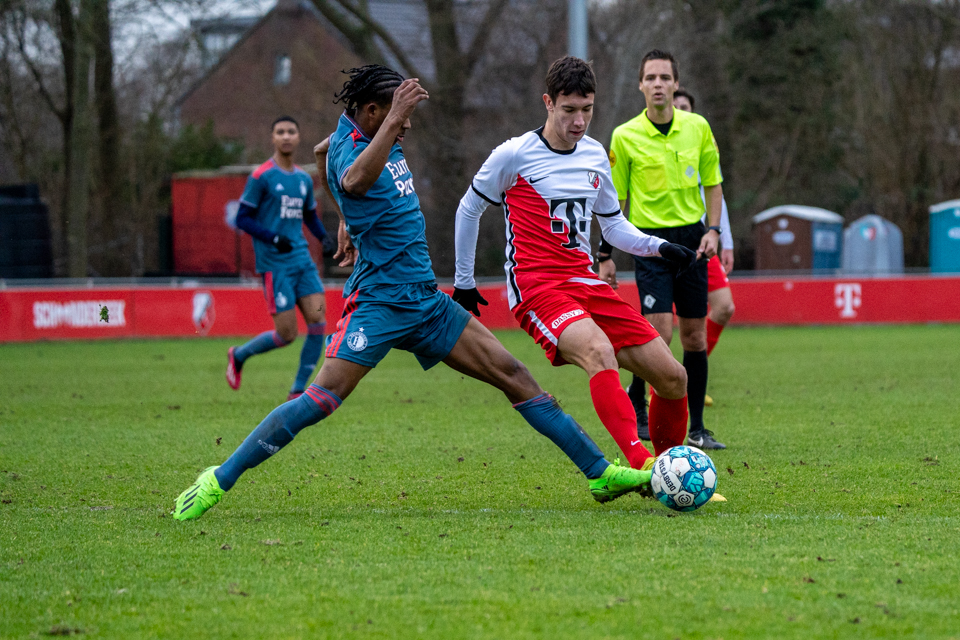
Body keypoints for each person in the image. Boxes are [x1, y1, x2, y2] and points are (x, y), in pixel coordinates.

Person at [173, 65, 652, 522]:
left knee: (514, 375)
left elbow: (323, 154)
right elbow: (352, 177)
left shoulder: (357, 137)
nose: (405, 129)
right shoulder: (370, 143)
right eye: (396, 117)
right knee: (319, 400)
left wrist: (346, 217)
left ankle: (600, 474)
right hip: (380, 303)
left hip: (426, 301)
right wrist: (383, 142)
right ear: (370, 111)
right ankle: (218, 478)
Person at [453, 56, 709, 475]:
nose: (579, 121)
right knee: (598, 351)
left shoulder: (594, 155)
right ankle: (642, 464)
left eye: (587, 109)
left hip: (586, 282)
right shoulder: (514, 154)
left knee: (673, 376)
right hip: (538, 286)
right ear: (548, 103)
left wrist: (659, 248)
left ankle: (673, 471)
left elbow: (613, 225)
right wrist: (464, 282)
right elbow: (469, 209)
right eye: (569, 110)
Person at [603, 50, 727, 450]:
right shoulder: (624, 136)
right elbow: (613, 200)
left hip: (693, 243)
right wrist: (605, 253)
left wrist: (713, 231)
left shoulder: (698, 128)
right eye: (650, 78)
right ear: (640, 85)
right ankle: (638, 402)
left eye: (665, 77)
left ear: (676, 84)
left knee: (693, 336)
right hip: (651, 243)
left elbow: (713, 183)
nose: (658, 84)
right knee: (659, 331)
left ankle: (698, 428)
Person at [226, 116, 335, 401]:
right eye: (280, 132)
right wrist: (273, 238)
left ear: (298, 138)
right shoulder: (261, 176)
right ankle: (238, 355)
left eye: (291, 132)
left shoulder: (302, 179)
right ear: (272, 138)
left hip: (302, 261)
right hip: (275, 264)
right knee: (286, 334)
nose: (286, 136)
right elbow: (242, 218)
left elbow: (309, 214)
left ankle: (298, 390)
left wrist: (323, 237)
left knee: (319, 320)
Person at [673, 88, 735, 376]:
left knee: (724, 307)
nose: (680, 111)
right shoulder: (652, 143)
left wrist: (726, 241)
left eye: (685, 106)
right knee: (661, 326)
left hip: (704, 241)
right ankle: (650, 389)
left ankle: (690, 376)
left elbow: (715, 194)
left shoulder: (702, 142)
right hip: (668, 242)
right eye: (676, 107)